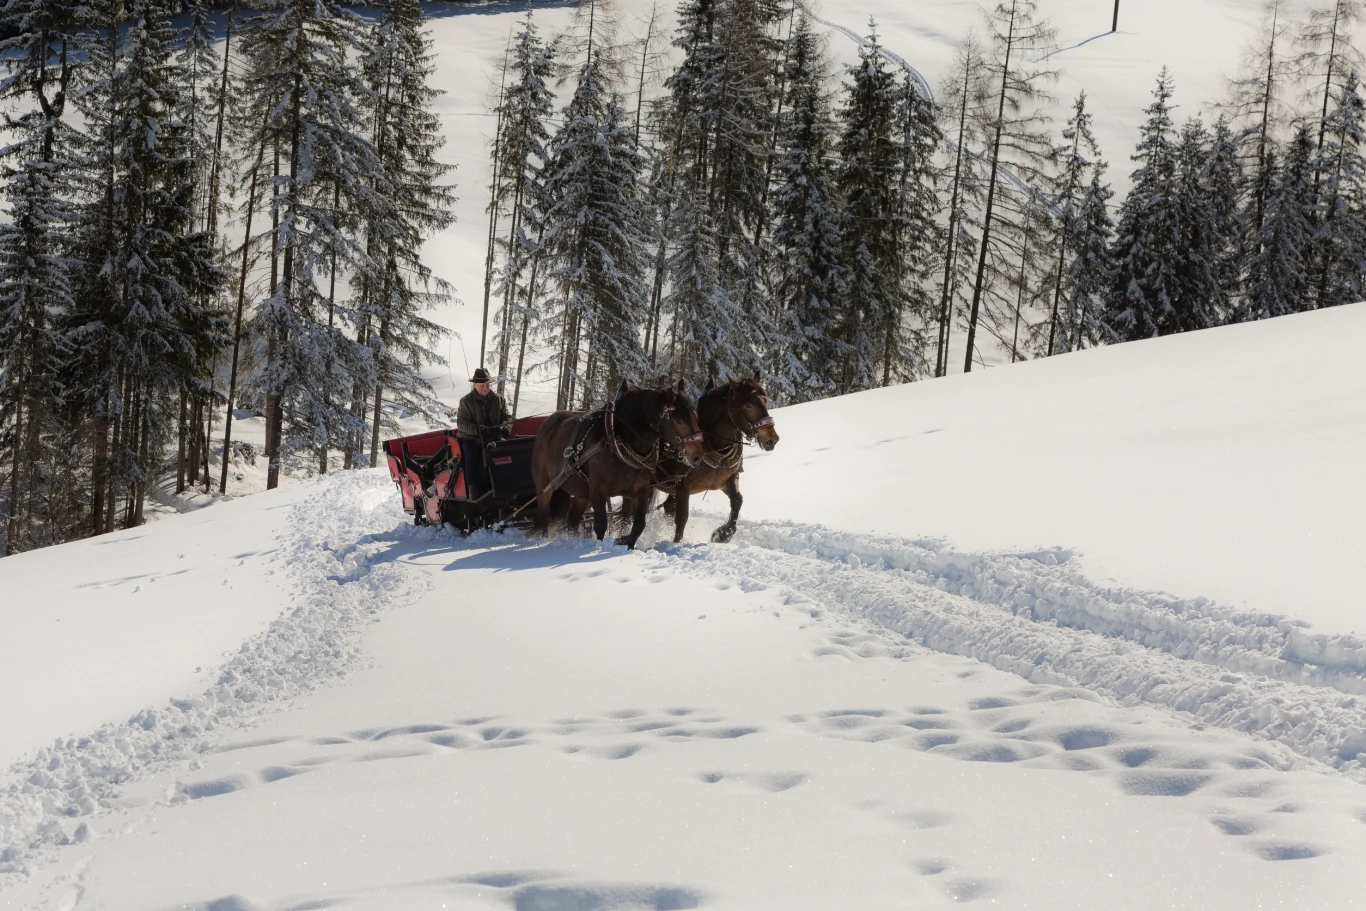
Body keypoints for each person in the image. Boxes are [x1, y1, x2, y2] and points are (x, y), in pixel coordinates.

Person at [455, 367, 511, 498]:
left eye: (488, 384)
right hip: (472, 439)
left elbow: (508, 417)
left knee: (507, 454)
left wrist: (505, 428)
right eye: (482, 385)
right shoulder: (466, 401)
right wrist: (477, 429)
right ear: (474, 385)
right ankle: (473, 490)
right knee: (471, 455)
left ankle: (506, 485)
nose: (486, 387)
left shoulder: (499, 400)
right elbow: (461, 423)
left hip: (494, 437)